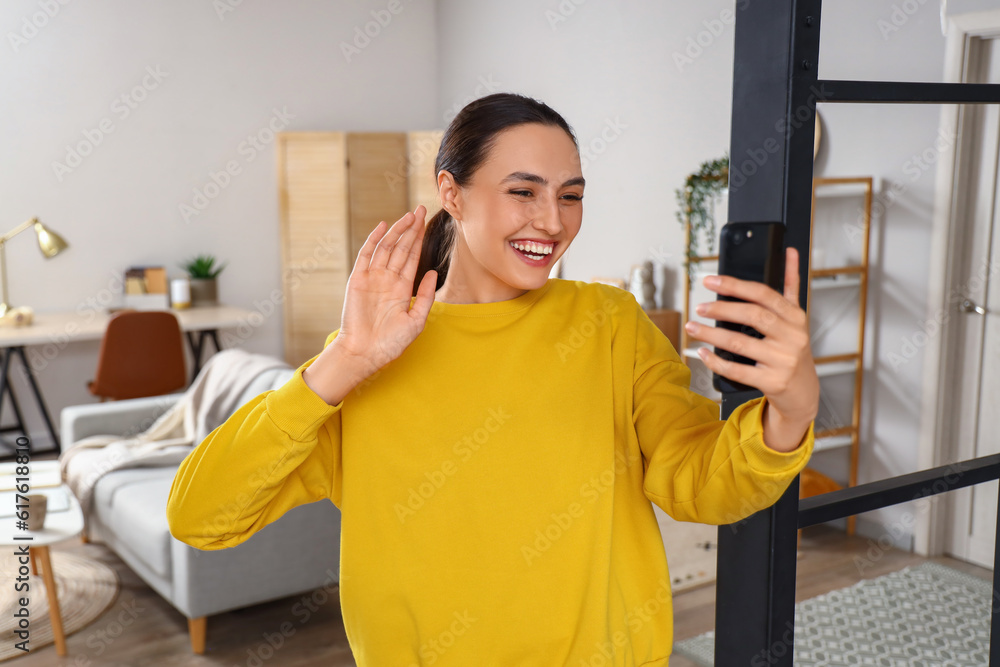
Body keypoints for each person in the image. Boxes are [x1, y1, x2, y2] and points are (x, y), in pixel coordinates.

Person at [166, 92, 818, 666]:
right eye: (523, 191)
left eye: (570, 196)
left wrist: (787, 413)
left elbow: (699, 483)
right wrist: (344, 361)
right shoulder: (367, 358)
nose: (553, 222)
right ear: (452, 193)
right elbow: (201, 514)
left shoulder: (610, 323)